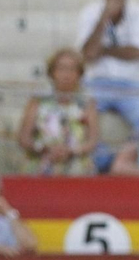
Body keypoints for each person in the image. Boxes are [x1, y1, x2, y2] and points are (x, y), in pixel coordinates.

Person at [75, 0, 139, 141]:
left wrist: (103, 50)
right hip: (96, 84)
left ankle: (136, 161)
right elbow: (87, 54)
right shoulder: (89, 12)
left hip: (134, 85)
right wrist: (104, 18)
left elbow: (138, 52)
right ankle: (99, 162)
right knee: (80, 118)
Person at [17, 48, 100, 176]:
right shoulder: (38, 101)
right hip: (42, 161)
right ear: (52, 73)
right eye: (61, 69)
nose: (66, 74)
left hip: (76, 164)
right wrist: (45, 149)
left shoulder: (87, 103)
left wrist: (71, 151)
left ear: (79, 74)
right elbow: (24, 138)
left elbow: (92, 140)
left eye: (72, 69)